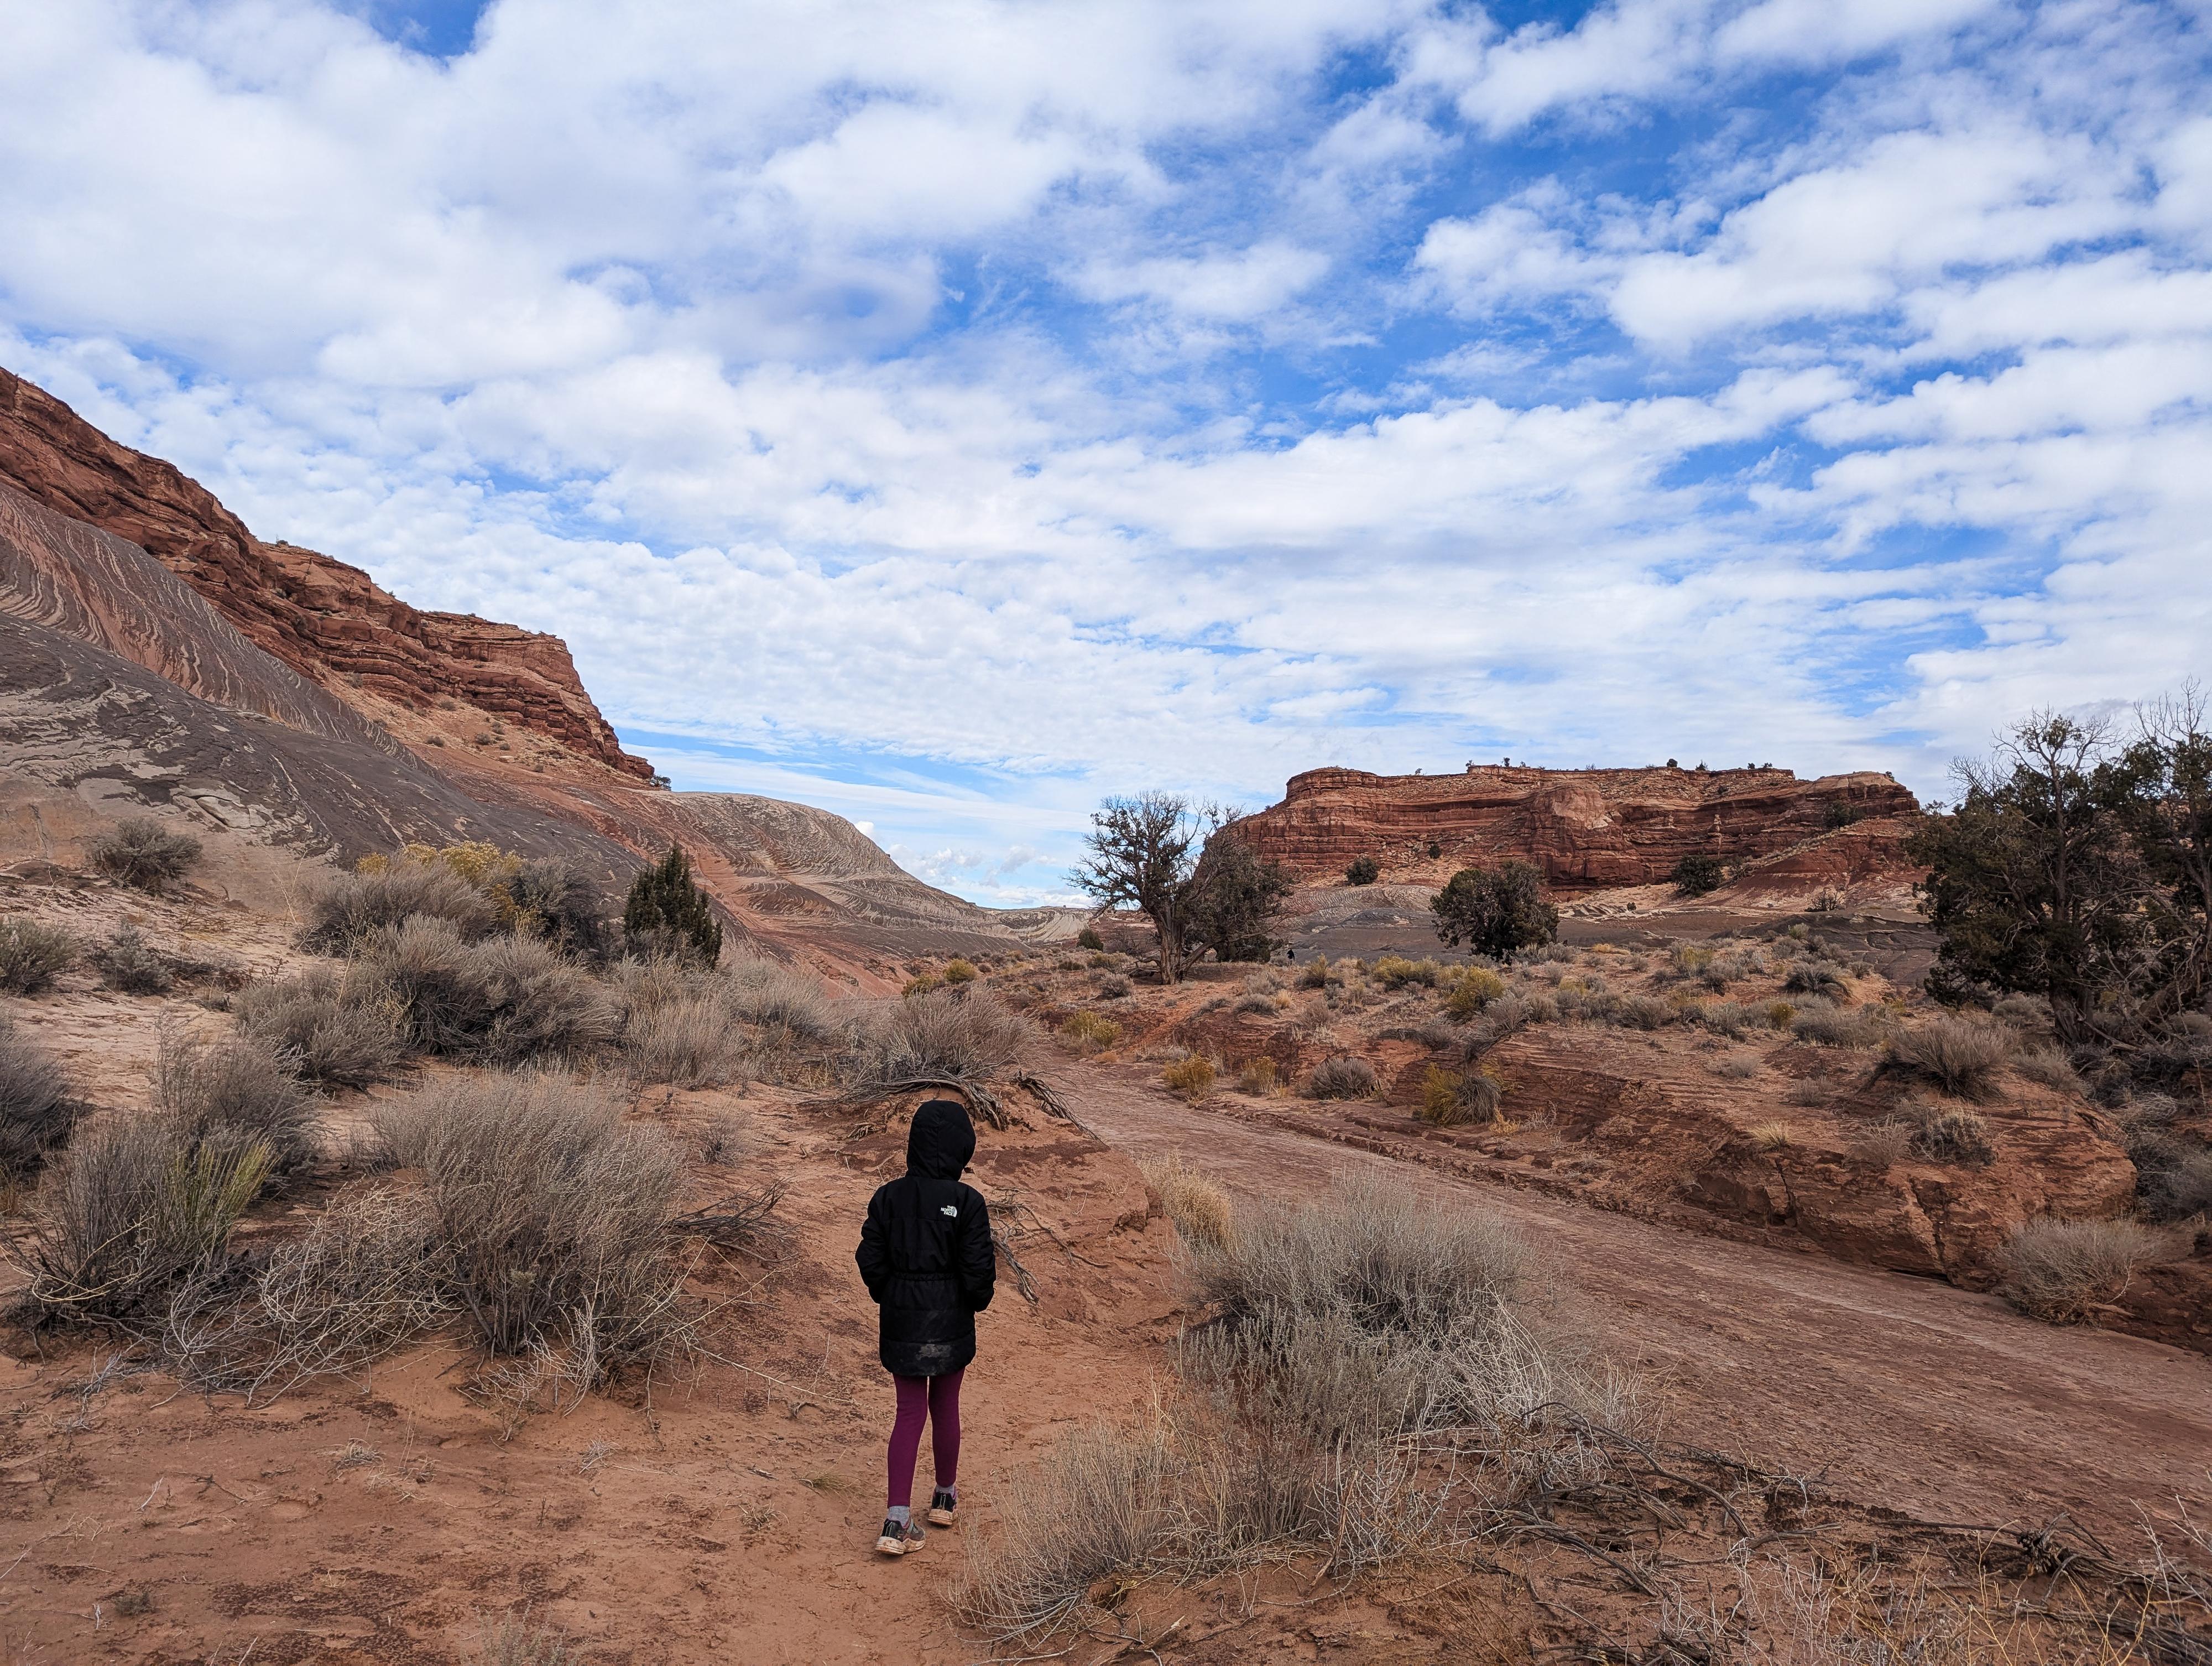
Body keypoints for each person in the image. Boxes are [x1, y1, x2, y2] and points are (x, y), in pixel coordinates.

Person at [854, 1097, 995, 1557]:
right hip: (952, 1322)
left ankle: (896, 1521)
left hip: (902, 1321)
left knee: (909, 1412)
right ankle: (944, 1497)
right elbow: (979, 1270)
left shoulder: (888, 1197)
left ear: (913, 1143)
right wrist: (975, 1301)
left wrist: (890, 1293)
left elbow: (870, 1257)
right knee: (946, 1406)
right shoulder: (967, 1202)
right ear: (962, 1147)